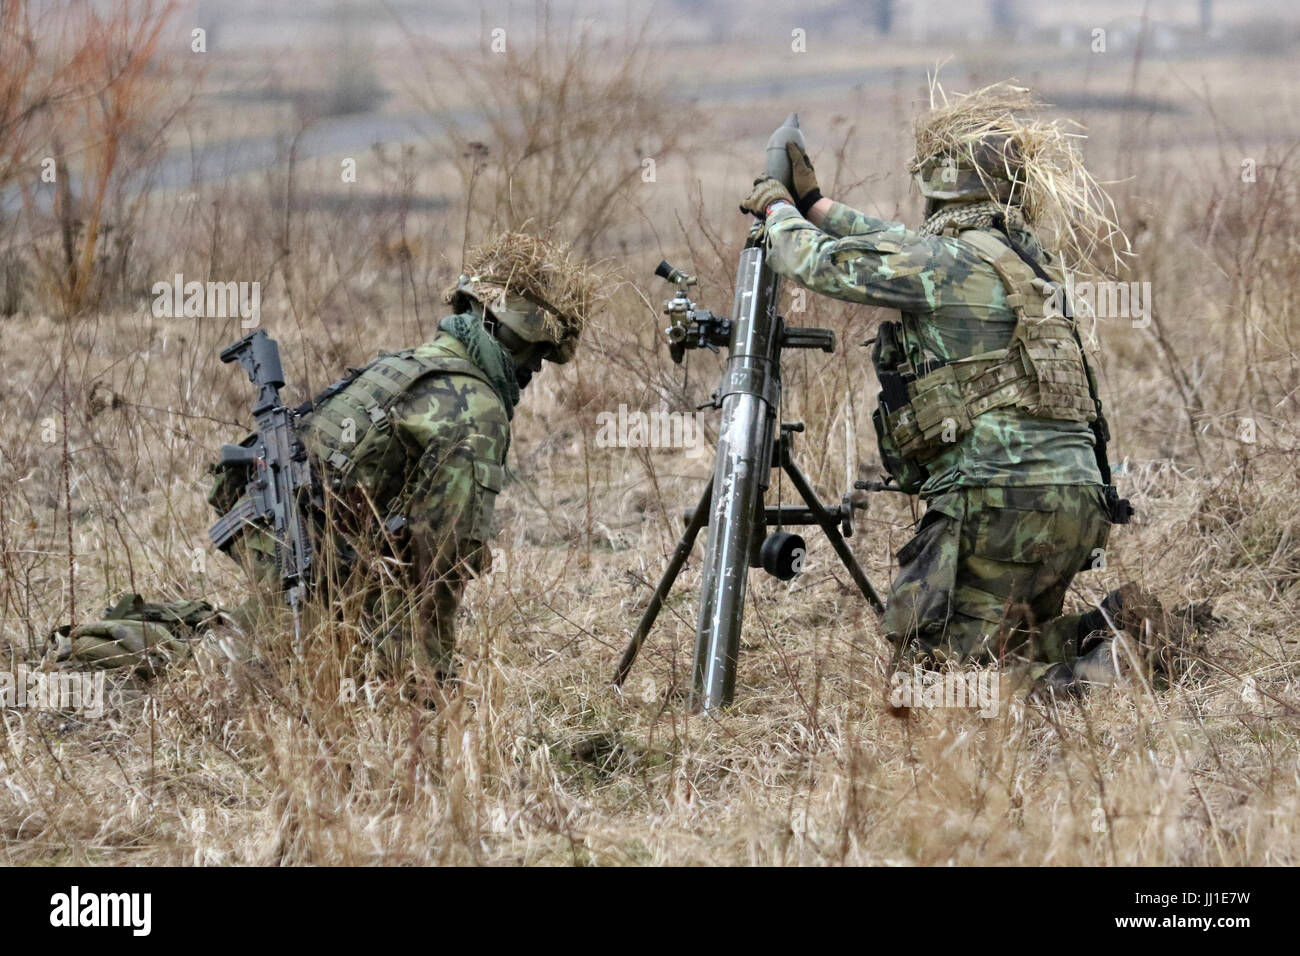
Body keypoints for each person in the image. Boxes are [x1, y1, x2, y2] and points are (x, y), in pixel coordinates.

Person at [738, 83, 1189, 689]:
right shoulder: (1026, 261)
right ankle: (1109, 633)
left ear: (938, 188)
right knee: (1007, 641)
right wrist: (816, 204)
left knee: (938, 675)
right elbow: (894, 244)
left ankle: (1101, 674)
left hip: (999, 501)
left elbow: (817, 264)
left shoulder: (944, 262)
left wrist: (776, 212)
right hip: (1077, 502)